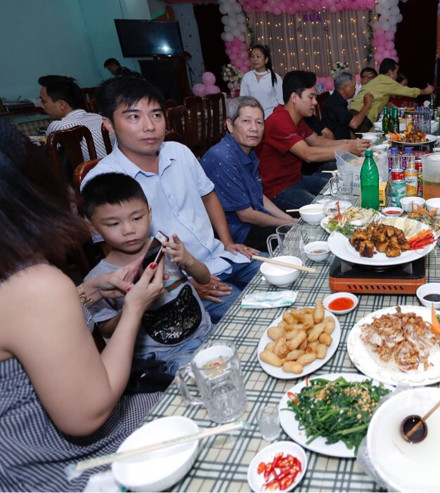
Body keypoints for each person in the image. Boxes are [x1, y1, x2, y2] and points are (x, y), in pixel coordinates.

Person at [0, 119, 164, 491]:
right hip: (42, 464)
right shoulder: (34, 285)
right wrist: (134, 308)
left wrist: (87, 290)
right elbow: (88, 414)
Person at [81, 76, 261, 324]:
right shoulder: (104, 180)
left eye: (156, 115)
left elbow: (208, 196)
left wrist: (228, 242)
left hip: (220, 256)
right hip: (179, 282)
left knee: (285, 274)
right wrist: (179, 287)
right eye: (134, 117)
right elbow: (114, 251)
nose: (149, 126)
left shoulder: (179, 152)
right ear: (108, 124)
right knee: (254, 315)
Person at [81, 173, 212, 392]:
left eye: (136, 218)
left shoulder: (164, 247)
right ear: (93, 227)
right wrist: (134, 305)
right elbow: (108, 331)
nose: (128, 230)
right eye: (113, 223)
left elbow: (204, 278)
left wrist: (188, 260)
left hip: (205, 330)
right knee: (201, 384)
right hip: (164, 356)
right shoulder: (97, 279)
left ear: (149, 213)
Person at [258, 70, 369, 211]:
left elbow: (317, 141)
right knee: (327, 210)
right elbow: (308, 154)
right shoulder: (279, 121)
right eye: (311, 97)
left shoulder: (297, 119)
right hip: (278, 189)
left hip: (296, 179)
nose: (315, 102)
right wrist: (347, 149)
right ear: (294, 97)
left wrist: (349, 143)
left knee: (345, 186)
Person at [201, 96, 296, 250]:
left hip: (250, 220)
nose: (254, 128)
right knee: (295, 239)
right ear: (230, 125)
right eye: (246, 121)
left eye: (259, 122)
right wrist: (287, 224)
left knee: (297, 227)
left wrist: (288, 219)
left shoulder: (247, 150)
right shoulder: (223, 158)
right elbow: (246, 215)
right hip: (235, 233)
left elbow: (258, 195)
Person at [39, 75, 112, 161]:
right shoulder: (99, 118)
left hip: (90, 169)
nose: (41, 106)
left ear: (61, 105)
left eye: (44, 101)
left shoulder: (59, 126)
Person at [348, 58, 434, 131]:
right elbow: (408, 91)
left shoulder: (378, 80)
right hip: (361, 116)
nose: (396, 76)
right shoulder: (386, 80)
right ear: (390, 72)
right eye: (396, 72)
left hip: (353, 113)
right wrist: (425, 91)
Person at [322, 71, 373, 140]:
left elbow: (346, 126)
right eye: (353, 86)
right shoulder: (335, 103)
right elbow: (354, 124)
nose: (355, 89)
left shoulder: (338, 99)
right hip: (337, 142)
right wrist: (366, 105)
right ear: (345, 87)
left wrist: (355, 141)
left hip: (345, 140)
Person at [240, 44, 283, 119]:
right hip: (253, 118)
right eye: (252, 56)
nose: (255, 59)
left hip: (272, 118)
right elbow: (243, 100)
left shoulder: (275, 77)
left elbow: (281, 102)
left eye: (258, 56)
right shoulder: (247, 77)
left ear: (266, 60)